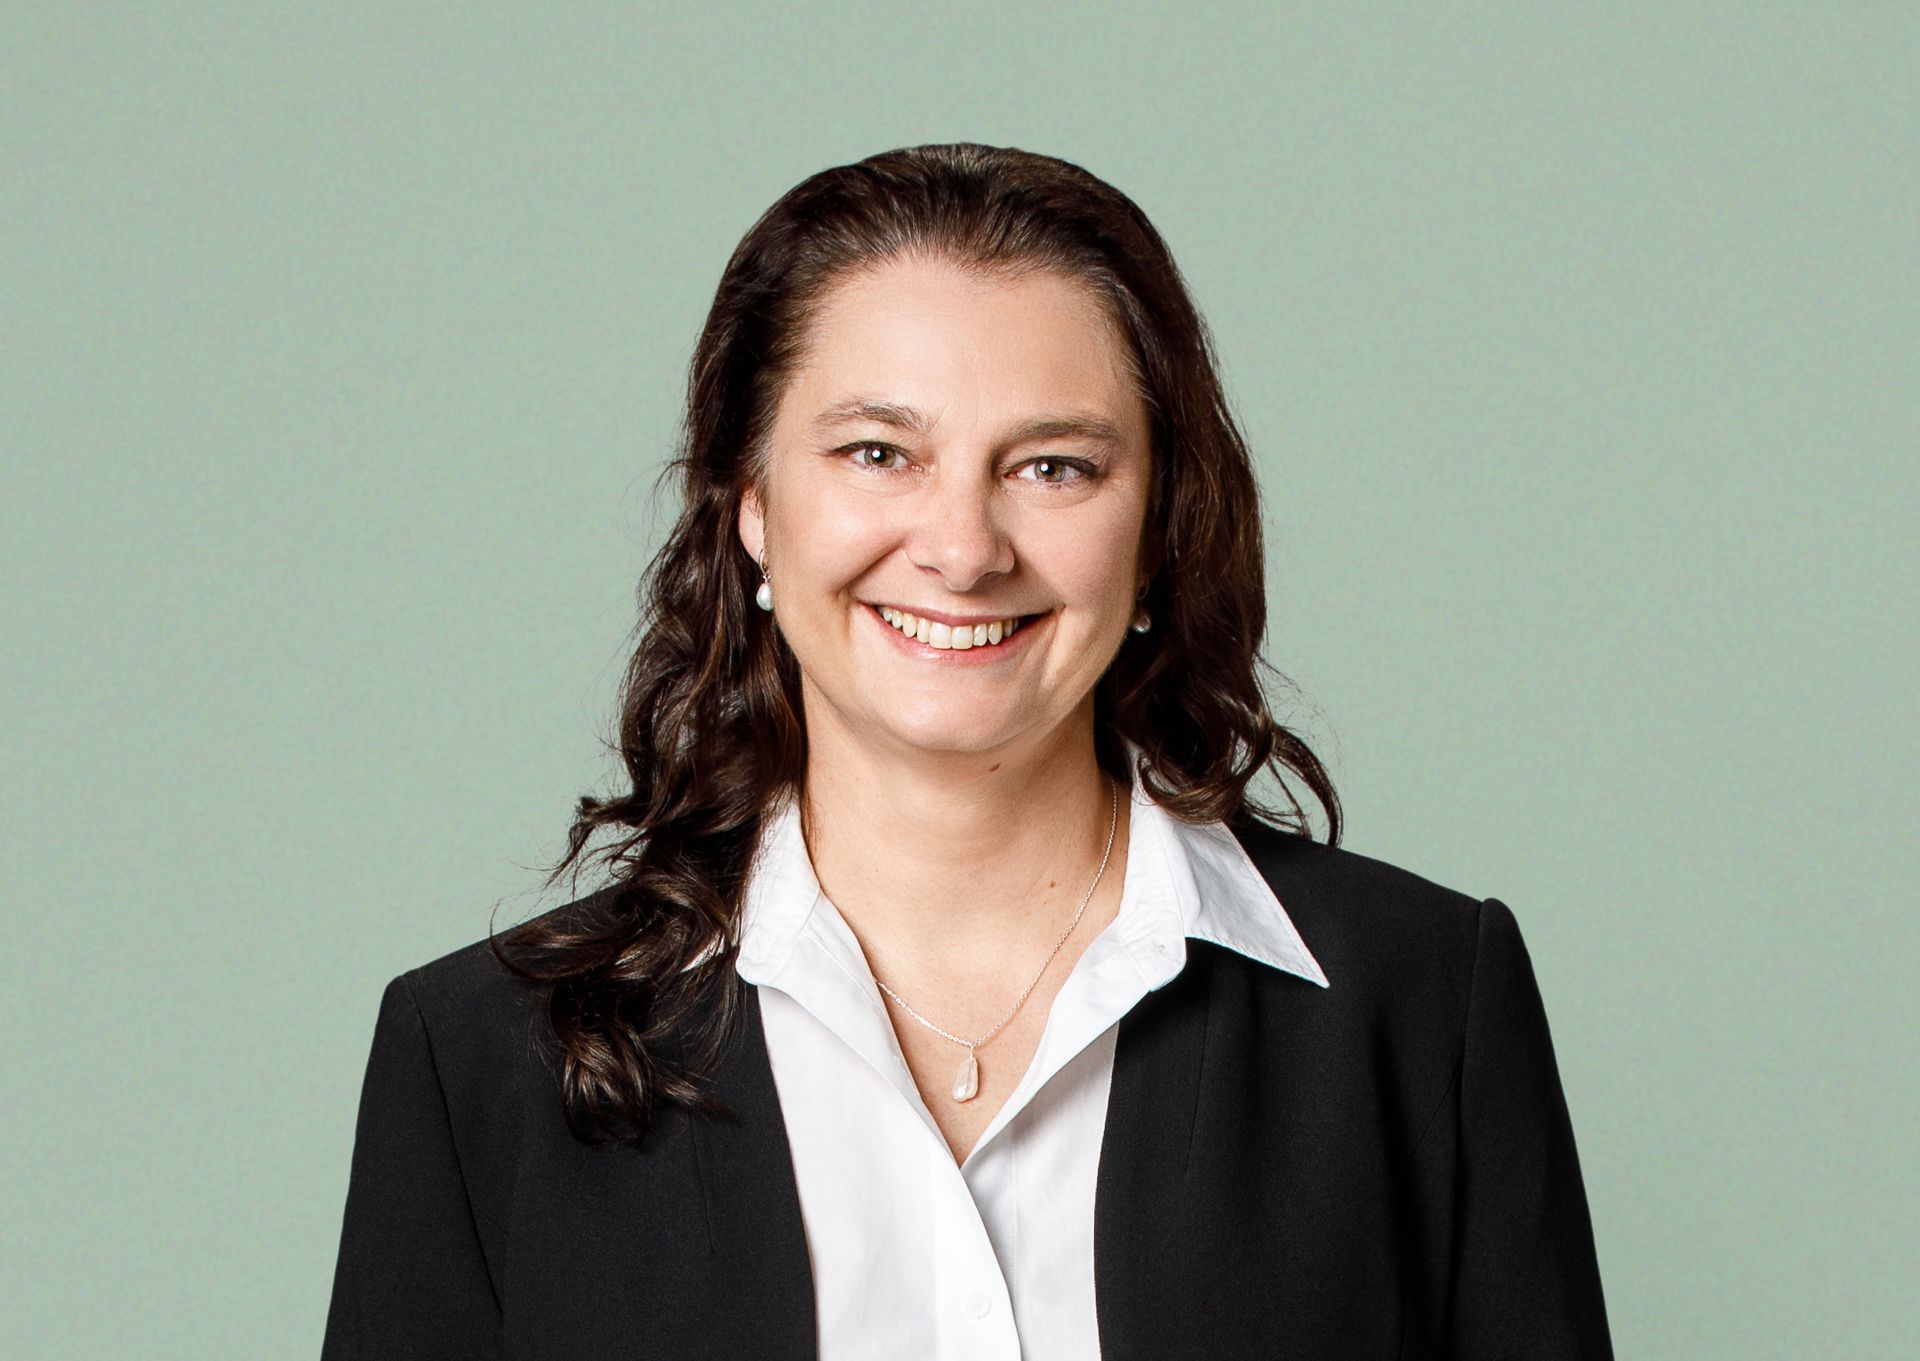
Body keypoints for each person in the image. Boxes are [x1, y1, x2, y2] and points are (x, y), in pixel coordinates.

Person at [322, 143, 1614, 1359]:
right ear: (754, 505)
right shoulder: (481, 1065)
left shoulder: (1426, 1012)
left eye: (1052, 466)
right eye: (878, 452)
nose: (962, 546)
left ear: (1158, 523)